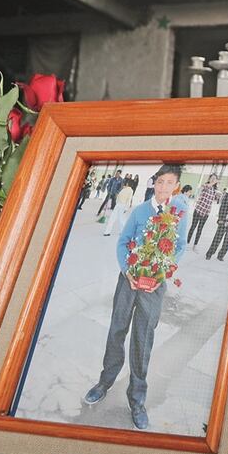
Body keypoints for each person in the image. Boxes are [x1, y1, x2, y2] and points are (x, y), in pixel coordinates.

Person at [83, 164, 189, 430]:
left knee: (143, 339)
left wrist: (162, 274)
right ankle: (104, 381)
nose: (164, 187)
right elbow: (123, 242)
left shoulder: (178, 214)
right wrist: (127, 271)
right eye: (160, 182)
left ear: (176, 186)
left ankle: (137, 399)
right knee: (117, 329)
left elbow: (179, 246)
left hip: (155, 286)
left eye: (169, 183)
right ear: (154, 183)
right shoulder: (140, 211)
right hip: (129, 280)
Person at [188, 174, 219, 250]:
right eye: (212, 178)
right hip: (198, 210)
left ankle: (195, 246)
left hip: (206, 213)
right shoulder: (205, 185)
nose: (213, 180)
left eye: (214, 179)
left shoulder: (214, 190)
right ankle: (187, 243)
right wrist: (213, 182)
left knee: (200, 229)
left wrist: (218, 195)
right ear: (209, 179)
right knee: (193, 227)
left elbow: (214, 199)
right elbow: (206, 186)